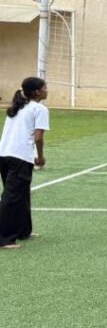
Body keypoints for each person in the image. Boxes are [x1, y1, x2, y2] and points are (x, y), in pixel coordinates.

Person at [0, 77, 49, 250]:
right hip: (20, 157)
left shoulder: (18, 106)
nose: (46, 90)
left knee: (21, 194)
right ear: (37, 92)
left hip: (4, 154)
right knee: (12, 197)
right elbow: (38, 137)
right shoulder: (40, 109)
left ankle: (23, 231)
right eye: (44, 88)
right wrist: (40, 157)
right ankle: (4, 239)